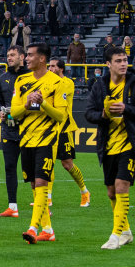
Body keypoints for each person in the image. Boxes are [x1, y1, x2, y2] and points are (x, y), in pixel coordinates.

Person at [84, 45, 135, 250]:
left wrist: (127, 109)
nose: (123, 64)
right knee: (111, 192)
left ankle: (115, 235)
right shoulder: (100, 86)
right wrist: (103, 116)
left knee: (122, 185)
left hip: (130, 144)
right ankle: (126, 231)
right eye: (118, 61)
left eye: (125, 60)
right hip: (108, 146)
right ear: (108, 64)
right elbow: (89, 113)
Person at [11, 42, 67, 244]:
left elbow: (61, 116)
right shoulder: (21, 81)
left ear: (42, 58)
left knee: (42, 182)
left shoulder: (57, 82)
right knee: (34, 184)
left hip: (47, 139)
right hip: (26, 139)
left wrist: (43, 102)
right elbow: (14, 113)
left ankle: (33, 228)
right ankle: (48, 230)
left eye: (30, 55)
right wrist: (27, 104)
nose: (26, 58)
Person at [47, 59, 92, 208]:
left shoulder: (68, 83)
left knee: (67, 164)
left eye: (53, 66)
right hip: (49, 128)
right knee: (48, 162)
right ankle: (47, 198)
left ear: (61, 69)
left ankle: (84, 191)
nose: (50, 68)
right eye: (49, 66)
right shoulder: (47, 81)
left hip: (64, 129)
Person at [0, 46, 27, 217]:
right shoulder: (3, 78)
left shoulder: (31, 77)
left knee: (33, 170)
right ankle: (12, 206)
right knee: (10, 167)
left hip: (29, 130)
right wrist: (0, 111)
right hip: (9, 129)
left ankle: (43, 205)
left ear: (22, 56)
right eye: (7, 55)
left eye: (13, 55)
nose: (9, 58)